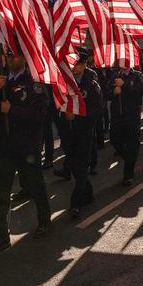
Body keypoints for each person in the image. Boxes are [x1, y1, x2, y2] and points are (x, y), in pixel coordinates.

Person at [0, 51, 52, 254]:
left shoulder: (34, 82)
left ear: (24, 58)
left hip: (26, 146)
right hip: (4, 147)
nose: (10, 59)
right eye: (8, 55)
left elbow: (39, 114)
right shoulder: (0, 81)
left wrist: (12, 110)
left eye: (15, 56)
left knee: (34, 184)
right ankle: (1, 235)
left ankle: (44, 219)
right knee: (2, 191)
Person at [53, 49, 102, 218]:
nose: (73, 68)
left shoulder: (92, 84)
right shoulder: (64, 81)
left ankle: (76, 203)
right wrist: (62, 116)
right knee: (75, 165)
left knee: (81, 165)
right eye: (71, 64)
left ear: (84, 65)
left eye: (76, 65)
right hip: (67, 131)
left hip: (84, 131)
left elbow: (97, 109)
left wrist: (79, 114)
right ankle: (88, 193)